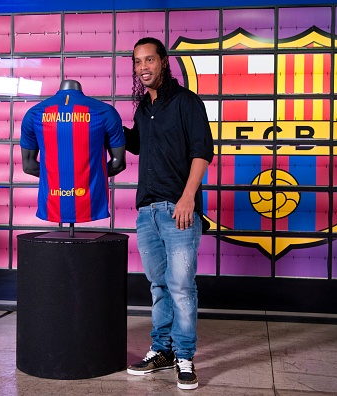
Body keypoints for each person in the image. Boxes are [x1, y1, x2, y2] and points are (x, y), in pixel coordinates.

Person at [124, 37, 214, 390]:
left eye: (149, 60)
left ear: (163, 61)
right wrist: (102, 129)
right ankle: (161, 351)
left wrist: (188, 198)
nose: (143, 67)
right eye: (137, 62)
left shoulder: (187, 103)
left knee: (180, 287)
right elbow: (136, 145)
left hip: (178, 210)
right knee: (159, 286)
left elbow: (202, 150)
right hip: (147, 212)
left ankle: (184, 357)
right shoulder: (143, 109)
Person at [20, 79, 125, 223]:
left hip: (51, 203)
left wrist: (57, 177)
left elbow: (28, 166)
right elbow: (118, 164)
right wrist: (88, 176)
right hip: (91, 204)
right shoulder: (105, 112)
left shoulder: (34, 113)